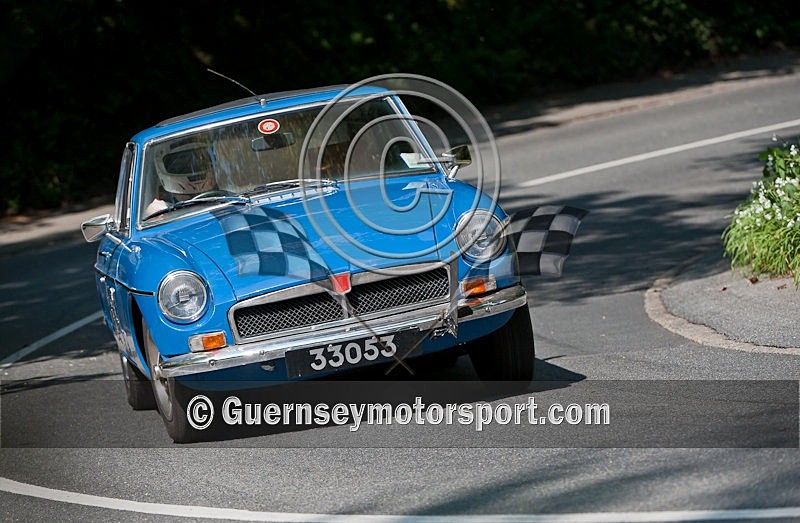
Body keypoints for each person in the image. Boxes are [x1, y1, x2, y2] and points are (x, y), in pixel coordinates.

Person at [146, 136, 218, 216]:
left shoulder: (225, 199)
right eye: (180, 165)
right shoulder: (159, 211)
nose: (192, 168)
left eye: (199, 162)